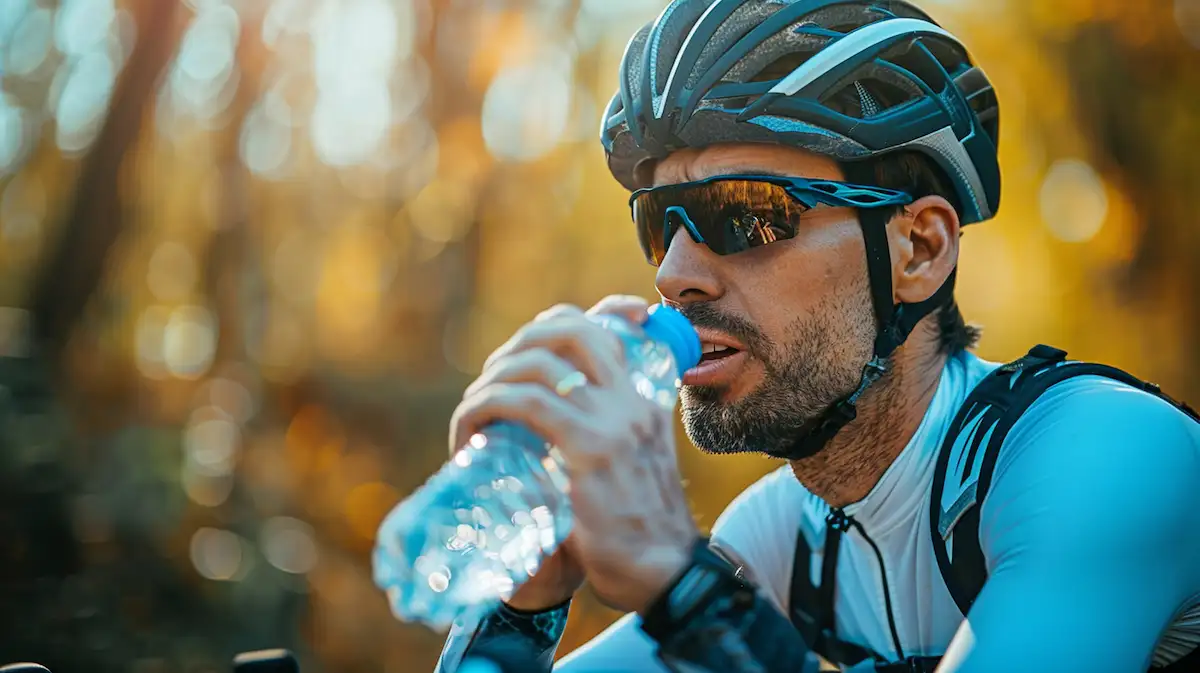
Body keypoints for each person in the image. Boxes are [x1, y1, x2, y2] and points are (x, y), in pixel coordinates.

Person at [431, 1, 1200, 671]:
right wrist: (520, 605)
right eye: (660, 221)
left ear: (919, 250)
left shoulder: (1109, 455)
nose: (673, 274)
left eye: (747, 211)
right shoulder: (786, 536)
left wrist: (683, 589)